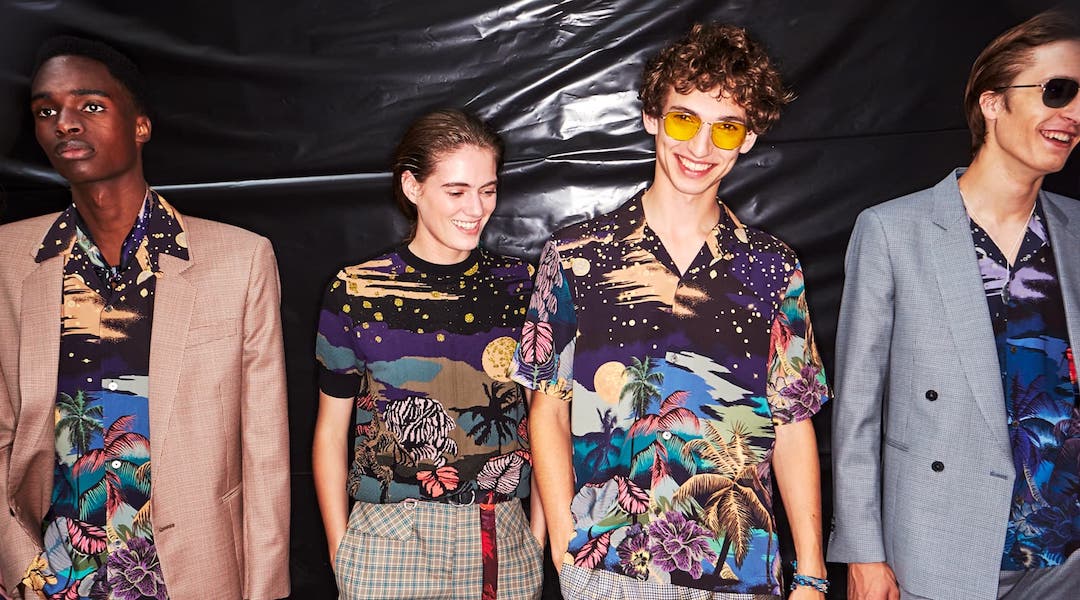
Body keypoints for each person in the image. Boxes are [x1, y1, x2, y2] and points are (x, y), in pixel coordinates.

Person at [511, 22, 830, 599]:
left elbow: (792, 419)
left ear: (748, 139)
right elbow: (547, 407)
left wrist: (811, 571)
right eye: (684, 119)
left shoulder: (773, 268)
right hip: (607, 568)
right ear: (652, 118)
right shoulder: (575, 256)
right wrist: (564, 547)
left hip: (740, 573)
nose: (700, 148)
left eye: (726, 127)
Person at [0, 36, 291, 599]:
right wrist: (19, 563)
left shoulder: (239, 259)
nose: (65, 123)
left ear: (140, 126)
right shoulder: (9, 260)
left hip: (193, 572)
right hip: (57, 574)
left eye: (90, 105)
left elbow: (265, 452)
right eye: (46, 111)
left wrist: (265, 591)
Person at [829, 10, 1080, 600]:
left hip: (1067, 558)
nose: (1073, 114)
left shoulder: (1075, 231)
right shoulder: (893, 231)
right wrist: (863, 553)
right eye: (1057, 90)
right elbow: (857, 411)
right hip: (939, 548)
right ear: (992, 103)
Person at [312, 108, 544, 599]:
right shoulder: (356, 290)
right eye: (456, 191)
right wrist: (340, 550)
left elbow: (546, 420)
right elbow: (331, 430)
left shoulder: (522, 287)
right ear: (412, 186)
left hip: (499, 534)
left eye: (488, 190)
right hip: (386, 538)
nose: (476, 208)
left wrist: (536, 538)